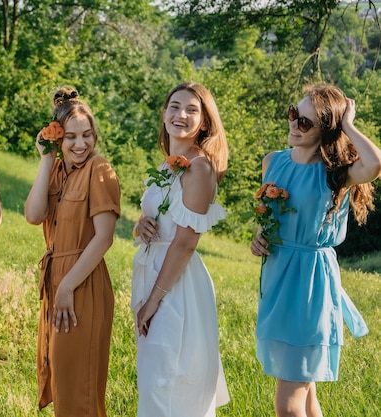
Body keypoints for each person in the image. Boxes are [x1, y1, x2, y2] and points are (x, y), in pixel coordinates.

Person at [250, 84, 381, 416]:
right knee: (305, 394)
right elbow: (270, 217)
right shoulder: (273, 162)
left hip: (311, 285)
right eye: (294, 114)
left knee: (288, 404)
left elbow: (375, 163)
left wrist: (348, 123)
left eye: (306, 122)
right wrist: (259, 237)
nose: (295, 124)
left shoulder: (335, 174)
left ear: (326, 129)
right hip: (277, 279)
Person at [131, 82, 230, 416]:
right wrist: (140, 225)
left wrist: (153, 301)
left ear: (203, 122)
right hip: (155, 271)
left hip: (176, 287)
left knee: (168, 382)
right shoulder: (169, 164)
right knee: (154, 382)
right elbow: (163, 218)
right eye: (174, 106)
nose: (181, 115)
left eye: (192, 110)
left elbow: (186, 242)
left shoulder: (199, 168)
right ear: (164, 113)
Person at [25, 87, 120, 416]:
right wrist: (46, 159)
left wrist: (68, 286)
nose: (81, 144)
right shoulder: (54, 169)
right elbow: (34, 215)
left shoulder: (100, 170)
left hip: (83, 282)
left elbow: (104, 238)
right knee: (63, 381)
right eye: (71, 137)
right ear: (57, 139)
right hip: (55, 283)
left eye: (87, 135)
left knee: (80, 389)